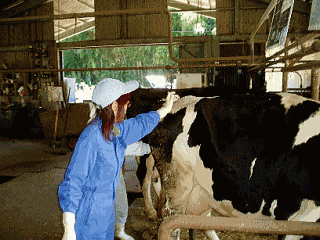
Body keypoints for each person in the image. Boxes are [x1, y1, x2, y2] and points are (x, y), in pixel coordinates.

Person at [58, 78, 176, 240]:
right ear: (114, 106)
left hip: (107, 212)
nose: (127, 107)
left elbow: (139, 125)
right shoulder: (91, 137)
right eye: (125, 104)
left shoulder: (115, 130)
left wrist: (164, 110)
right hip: (88, 215)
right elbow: (73, 182)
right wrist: (69, 228)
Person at [114, 141, 151, 240]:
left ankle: (119, 231)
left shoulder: (114, 129)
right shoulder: (95, 132)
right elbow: (123, 146)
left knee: (121, 204)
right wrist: (150, 147)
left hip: (115, 172)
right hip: (100, 174)